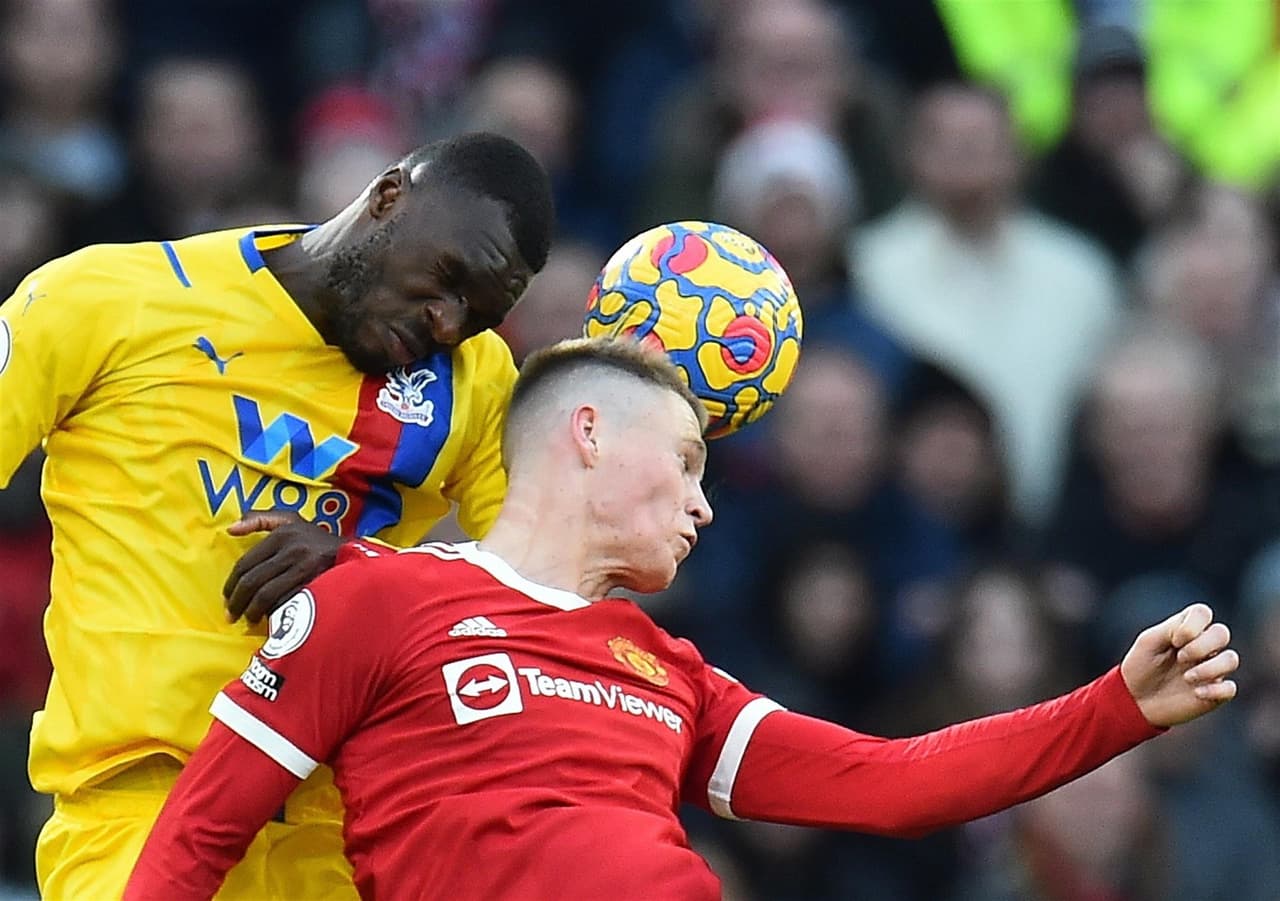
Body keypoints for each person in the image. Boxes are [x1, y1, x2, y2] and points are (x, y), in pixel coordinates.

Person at [125, 337, 1239, 900]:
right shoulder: (377, 599)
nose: (705, 503)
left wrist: (1115, 707)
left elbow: (891, 782)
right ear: (590, 433)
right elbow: (199, 832)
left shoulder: (668, 667)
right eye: (688, 460)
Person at [0, 131, 554, 899]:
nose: (447, 324)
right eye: (446, 279)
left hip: (345, 838)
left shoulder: (474, 382)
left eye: (478, 315)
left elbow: (541, 597)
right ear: (388, 196)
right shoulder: (106, 299)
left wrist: (363, 570)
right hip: (142, 812)